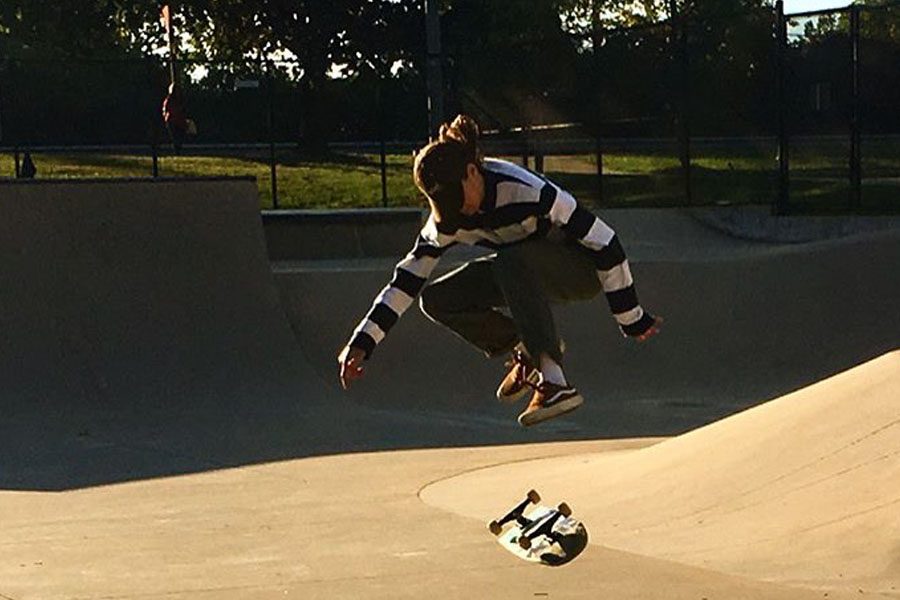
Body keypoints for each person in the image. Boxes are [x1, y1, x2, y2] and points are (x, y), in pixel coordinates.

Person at [337, 114, 661, 427]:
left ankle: (555, 382)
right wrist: (363, 342)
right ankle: (527, 348)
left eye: (460, 201)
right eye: (449, 208)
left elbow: (604, 241)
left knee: (512, 260)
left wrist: (630, 316)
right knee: (437, 299)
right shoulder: (448, 221)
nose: (462, 212)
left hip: (578, 270)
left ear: (472, 172)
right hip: (519, 274)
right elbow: (406, 280)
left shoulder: (529, 192)